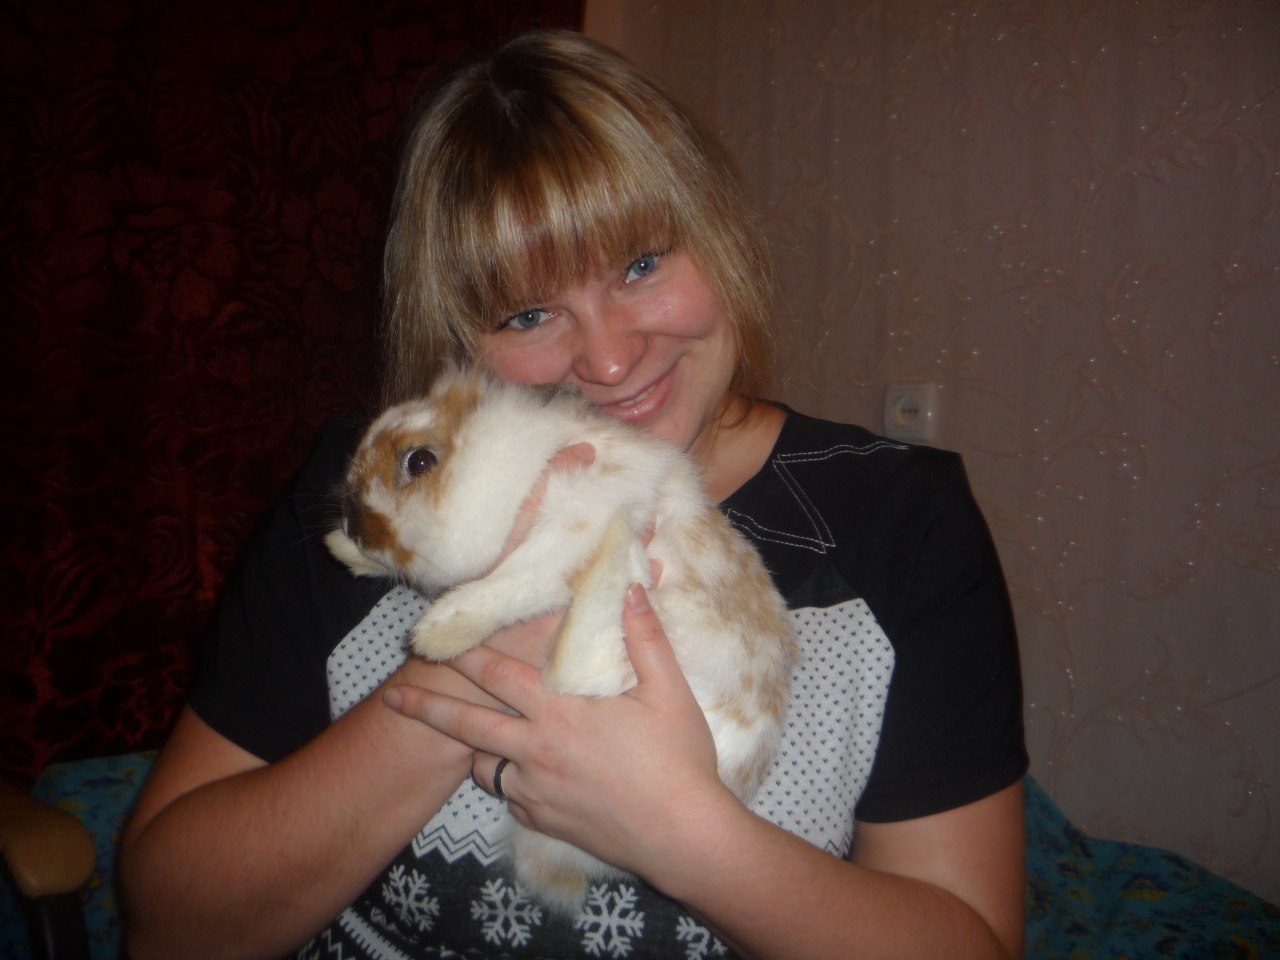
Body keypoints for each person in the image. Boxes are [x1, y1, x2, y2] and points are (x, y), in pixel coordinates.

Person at [119, 29, 1028, 960]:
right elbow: (168, 928)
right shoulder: (376, 500)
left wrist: (688, 837)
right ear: (459, 345)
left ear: (719, 238)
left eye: (641, 266)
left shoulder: (900, 522)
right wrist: (474, 656)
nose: (609, 359)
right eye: (527, 314)